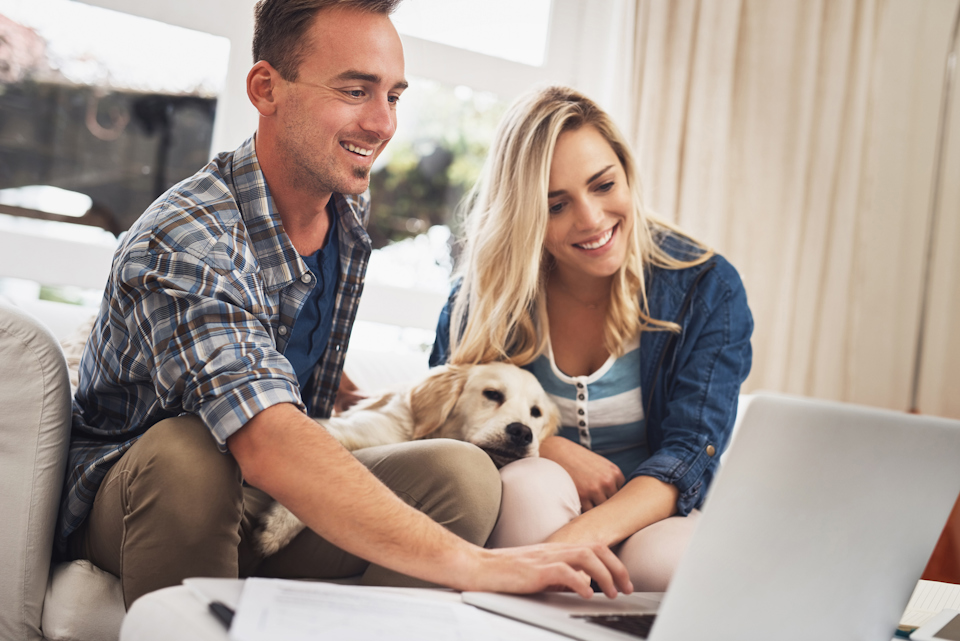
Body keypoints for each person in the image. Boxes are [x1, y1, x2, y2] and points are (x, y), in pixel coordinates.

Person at [58, 2, 631, 609]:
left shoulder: (342, 213)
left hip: (263, 497)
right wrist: (482, 565)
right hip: (150, 501)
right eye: (355, 90)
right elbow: (270, 440)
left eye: (393, 97)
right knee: (191, 450)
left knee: (460, 475)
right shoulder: (189, 234)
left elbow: (284, 391)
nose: (382, 124)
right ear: (265, 88)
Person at [430, 85, 753, 591]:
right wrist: (551, 446)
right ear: (526, 215)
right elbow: (442, 423)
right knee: (531, 488)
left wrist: (562, 547)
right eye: (556, 205)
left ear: (626, 171)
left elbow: (690, 452)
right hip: (526, 508)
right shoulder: (483, 296)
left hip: (655, 516)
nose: (592, 219)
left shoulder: (704, 288)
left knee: (662, 566)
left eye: (603, 186)